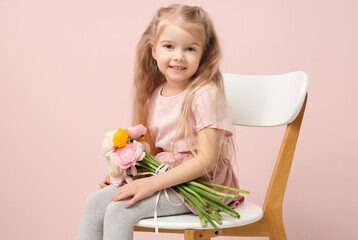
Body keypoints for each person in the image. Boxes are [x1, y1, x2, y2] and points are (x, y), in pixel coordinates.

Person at [76, 4, 241, 240]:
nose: (179, 56)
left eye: (190, 48)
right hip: (165, 176)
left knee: (120, 210)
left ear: (203, 53)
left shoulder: (204, 94)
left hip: (201, 184)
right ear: (154, 50)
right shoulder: (155, 95)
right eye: (169, 46)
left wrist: (151, 185)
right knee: (94, 203)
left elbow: (206, 160)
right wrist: (123, 177)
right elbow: (152, 153)